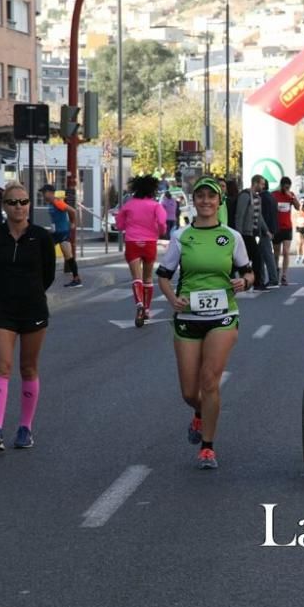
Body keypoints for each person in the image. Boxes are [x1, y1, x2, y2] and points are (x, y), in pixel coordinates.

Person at [156, 177, 254, 470]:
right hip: (187, 317)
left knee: (210, 380)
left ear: (219, 201)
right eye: (200, 197)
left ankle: (208, 447)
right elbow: (163, 275)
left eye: (211, 197)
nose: (206, 202)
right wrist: (172, 298)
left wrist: (243, 282)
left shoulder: (231, 236)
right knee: (189, 391)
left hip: (223, 316)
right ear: (193, 201)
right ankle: (200, 412)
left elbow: (250, 274)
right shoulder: (181, 236)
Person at [0, 182, 56, 451]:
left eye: (23, 202)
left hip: (33, 308)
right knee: (2, 367)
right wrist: (4, 291)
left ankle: (25, 428)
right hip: (3, 309)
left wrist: (31, 292)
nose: (19, 207)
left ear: (29, 205)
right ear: (4, 206)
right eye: (13, 202)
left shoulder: (41, 236)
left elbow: (48, 275)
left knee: (28, 368)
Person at [116, 175, 167, 326]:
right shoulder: (155, 206)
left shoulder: (129, 205)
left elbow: (119, 225)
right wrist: (160, 231)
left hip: (132, 242)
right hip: (150, 242)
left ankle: (139, 304)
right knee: (148, 278)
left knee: (136, 277)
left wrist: (128, 226)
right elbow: (162, 223)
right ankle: (146, 309)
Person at [39, 184, 82, 287]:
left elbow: (72, 211)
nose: (43, 195)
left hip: (62, 232)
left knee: (66, 256)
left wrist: (73, 223)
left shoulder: (57, 202)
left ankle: (76, 279)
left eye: (44, 193)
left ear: (49, 193)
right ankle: (76, 279)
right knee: (46, 252)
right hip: (56, 233)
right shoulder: (50, 203)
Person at [234, 175, 271, 290]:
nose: (263, 186)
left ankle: (246, 280)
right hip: (244, 233)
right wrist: (238, 234)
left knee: (246, 258)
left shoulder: (257, 198)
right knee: (256, 257)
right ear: (255, 183)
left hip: (252, 233)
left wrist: (266, 230)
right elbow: (239, 215)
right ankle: (257, 283)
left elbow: (259, 217)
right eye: (262, 184)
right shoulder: (245, 196)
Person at [271, 176, 301, 285]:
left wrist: (292, 198)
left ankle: (284, 275)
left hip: (287, 227)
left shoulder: (291, 195)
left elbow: (298, 207)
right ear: (281, 185)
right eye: (285, 187)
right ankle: (275, 272)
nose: (287, 189)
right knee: (276, 253)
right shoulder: (274, 195)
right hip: (276, 228)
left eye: (289, 187)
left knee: (286, 252)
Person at [258, 177, 280, 288]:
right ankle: (263, 279)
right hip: (272, 228)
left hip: (264, 230)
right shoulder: (272, 196)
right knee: (263, 255)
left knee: (266, 255)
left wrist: (265, 230)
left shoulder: (260, 198)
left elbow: (261, 215)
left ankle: (273, 279)